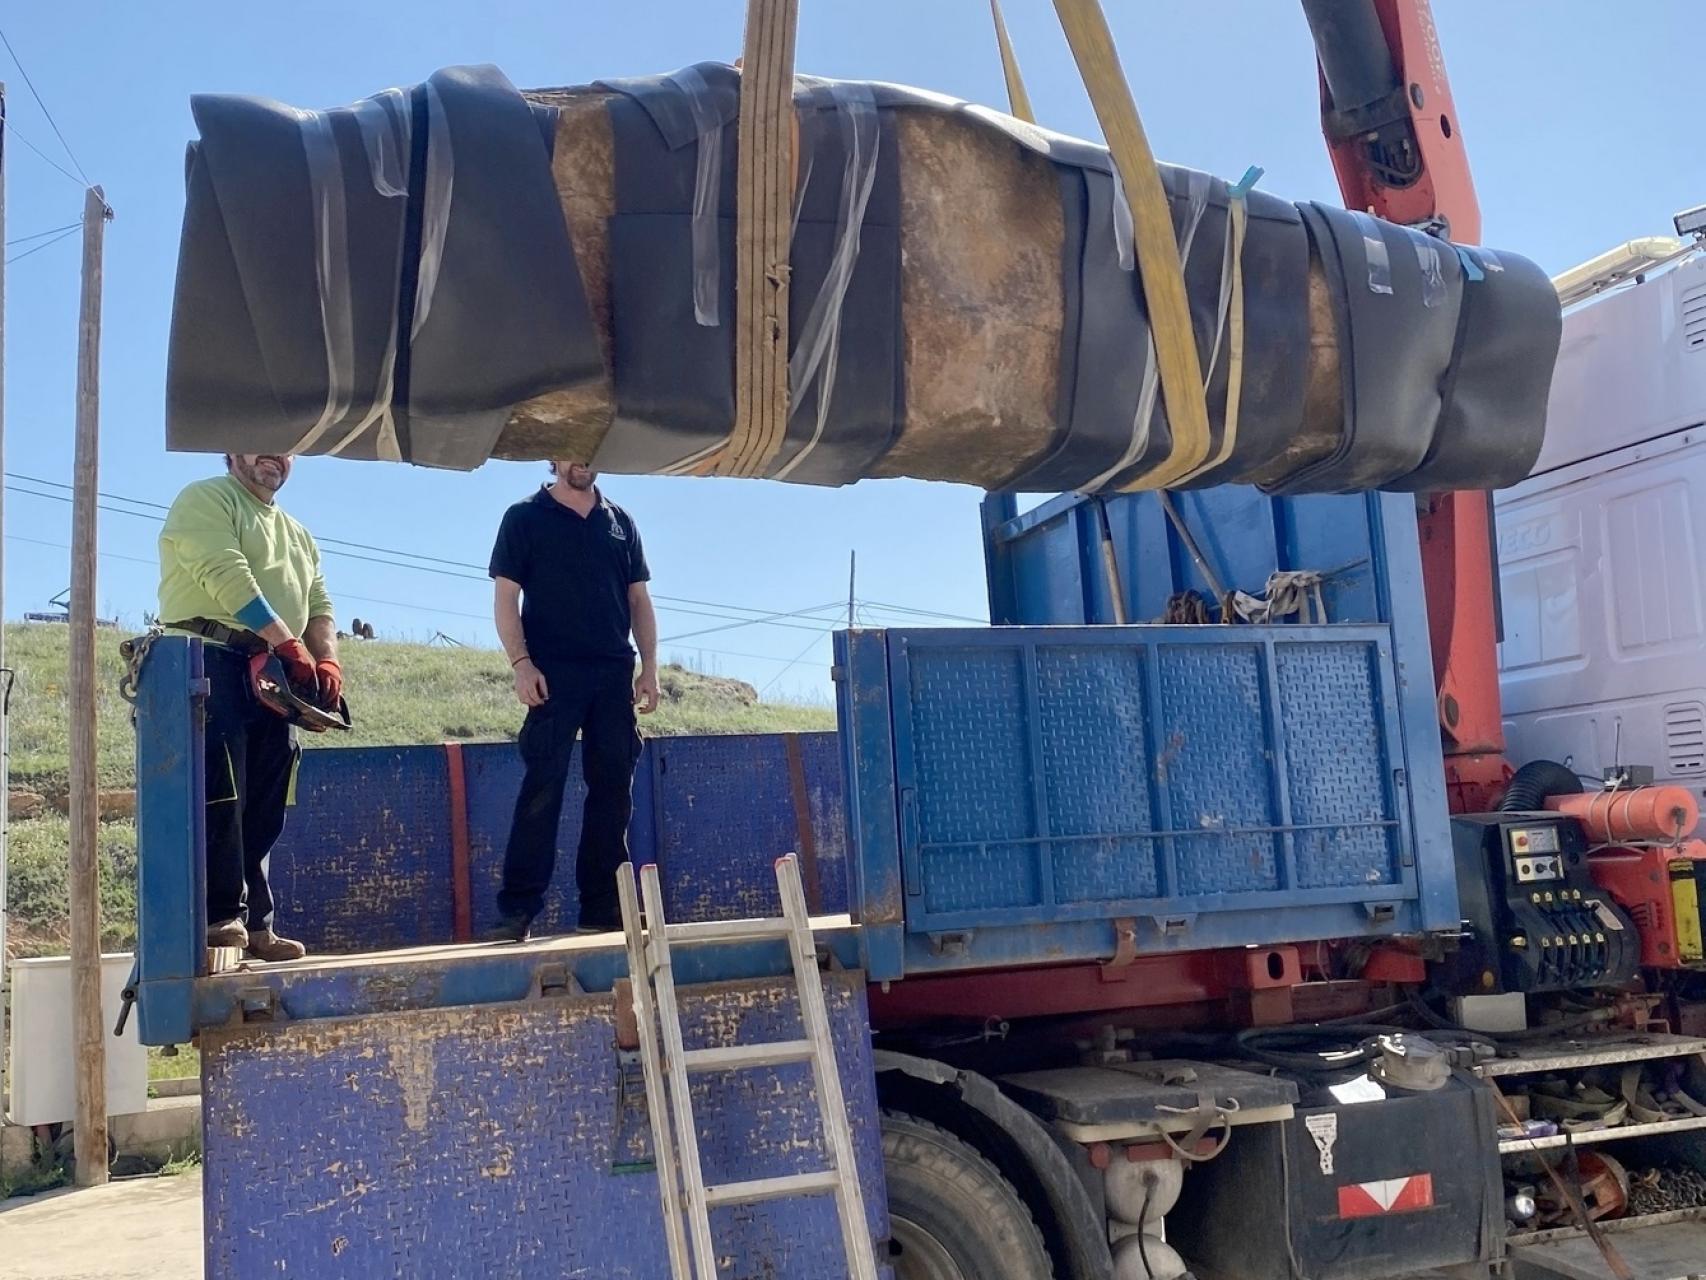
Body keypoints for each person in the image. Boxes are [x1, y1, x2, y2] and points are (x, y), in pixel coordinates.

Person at [157, 454, 340, 961]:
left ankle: (256, 923)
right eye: (258, 443)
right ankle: (219, 915)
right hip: (208, 657)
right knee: (222, 793)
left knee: (266, 797)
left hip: (272, 670)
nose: (272, 456)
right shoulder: (207, 498)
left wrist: (326, 662)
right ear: (232, 452)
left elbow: (320, 605)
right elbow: (226, 573)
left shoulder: (298, 534)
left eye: (283, 448)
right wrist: (286, 642)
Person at [485, 461, 659, 941]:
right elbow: (505, 600)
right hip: (551, 674)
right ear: (552, 459)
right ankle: (516, 910)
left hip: (613, 674)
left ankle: (603, 908)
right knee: (543, 787)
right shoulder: (524, 517)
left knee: (612, 792)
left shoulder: (621, 522)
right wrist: (522, 663)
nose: (580, 461)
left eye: (589, 451)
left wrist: (649, 668)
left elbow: (640, 600)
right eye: (569, 451)